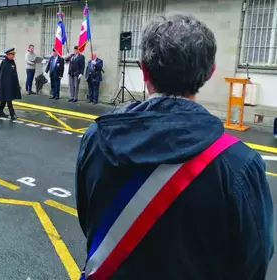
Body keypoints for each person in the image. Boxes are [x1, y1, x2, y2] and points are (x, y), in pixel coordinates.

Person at [76, 15, 273, 280]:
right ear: (210, 73)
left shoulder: (97, 137)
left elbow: (87, 218)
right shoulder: (240, 162)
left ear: (143, 70)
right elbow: (253, 261)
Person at [0, 48, 21, 120]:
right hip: (5, 85)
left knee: (4, 99)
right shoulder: (4, 62)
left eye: (13, 54)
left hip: (11, 84)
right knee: (9, 99)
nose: (13, 56)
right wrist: (2, 86)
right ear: (7, 55)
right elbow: (2, 75)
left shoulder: (12, 62)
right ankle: (12, 114)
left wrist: (16, 84)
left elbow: (14, 74)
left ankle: (0, 112)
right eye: (11, 55)